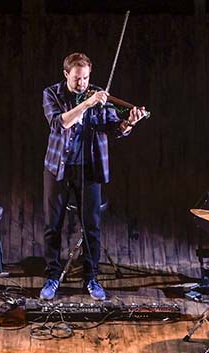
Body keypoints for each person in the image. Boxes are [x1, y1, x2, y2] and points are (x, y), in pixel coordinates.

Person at [39, 52, 146, 301]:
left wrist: (128, 123)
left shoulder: (98, 95)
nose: (82, 84)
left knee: (92, 228)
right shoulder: (52, 94)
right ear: (66, 74)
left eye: (86, 78)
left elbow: (113, 130)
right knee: (52, 227)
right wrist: (86, 103)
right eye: (77, 79)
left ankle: (91, 278)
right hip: (58, 168)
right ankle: (52, 277)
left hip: (90, 169)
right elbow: (59, 124)